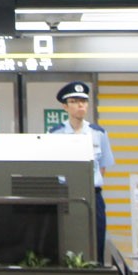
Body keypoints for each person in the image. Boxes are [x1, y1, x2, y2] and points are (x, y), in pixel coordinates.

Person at [49, 80, 115, 263]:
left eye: (84, 101)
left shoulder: (98, 133)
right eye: (75, 101)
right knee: (66, 240)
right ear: (65, 106)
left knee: (97, 239)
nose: (81, 105)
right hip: (66, 196)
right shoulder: (55, 134)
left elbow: (102, 167)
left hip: (94, 196)